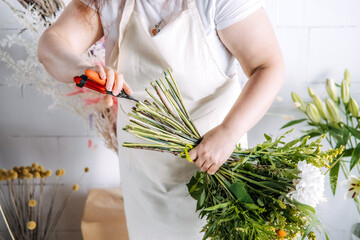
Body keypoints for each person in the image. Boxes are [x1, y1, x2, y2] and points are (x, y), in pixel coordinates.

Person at [37, 0, 284, 239]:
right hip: (144, 176)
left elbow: (268, 66)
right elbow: (51, 45)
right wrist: (84, 69)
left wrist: (229, 132)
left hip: (214, 166)